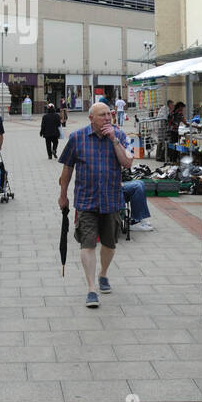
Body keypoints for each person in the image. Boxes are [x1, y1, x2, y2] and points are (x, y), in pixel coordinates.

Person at [59, 102, 132, 307]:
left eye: (109, 114)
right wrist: (63, 195)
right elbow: (67, 171)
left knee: (109, 243)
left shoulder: (120, 136)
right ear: (91, 118)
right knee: (87, 243)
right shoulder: (77, 138)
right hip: (86, 200)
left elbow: (127, 163)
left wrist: (114, 140)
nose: (108, 118)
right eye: (102, 115)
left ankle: (103, 274)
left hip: (111, 199)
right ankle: (91, 288)